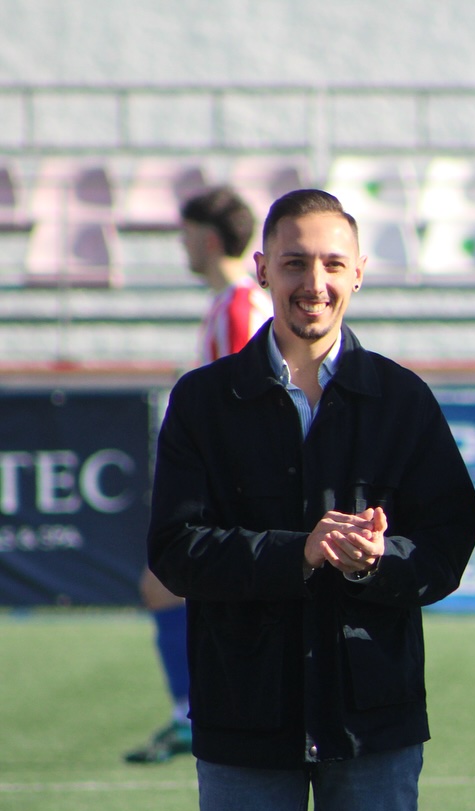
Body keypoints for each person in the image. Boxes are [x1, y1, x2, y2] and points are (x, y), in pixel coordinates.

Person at [147, 188, 475, 811]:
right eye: (295, 262)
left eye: (333, 263)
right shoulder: (204, 401)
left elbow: (447, 544)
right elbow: (174, 549)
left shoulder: (400, 399)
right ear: (262, 268)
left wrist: (376, 564)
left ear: (360, 273)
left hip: (372, 724)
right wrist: (299, 550)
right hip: (242, 719)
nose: (315, 282)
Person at [125, 185, 270, 764]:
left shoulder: (238, 305)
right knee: (170, 588)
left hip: (226, 482)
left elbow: (242, 400)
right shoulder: (235, 302)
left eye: (184, 234)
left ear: (208, 239)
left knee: (165, 584)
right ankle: (193, 711)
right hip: (229, 478)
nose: (180, 246)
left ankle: (196, 713)